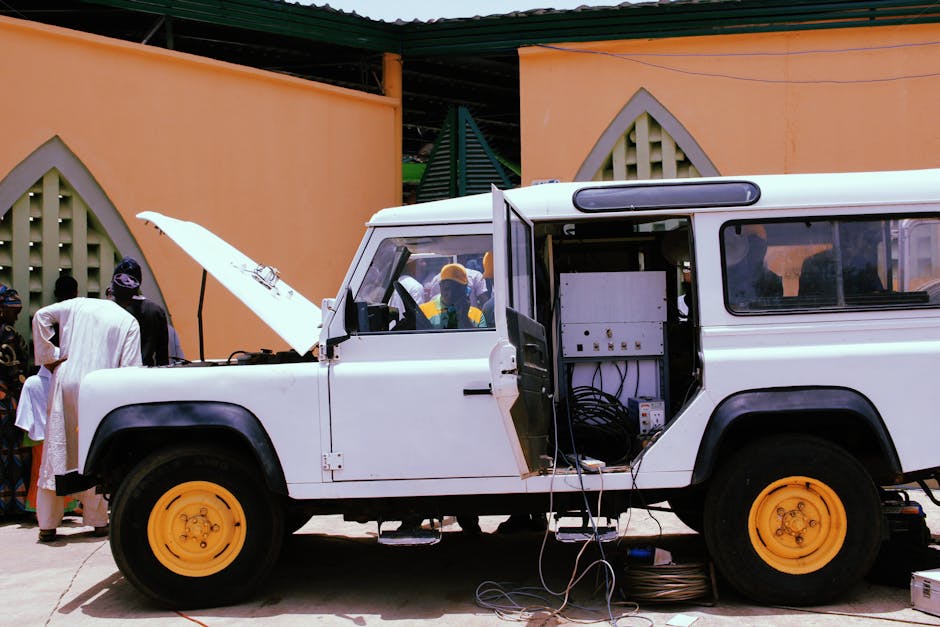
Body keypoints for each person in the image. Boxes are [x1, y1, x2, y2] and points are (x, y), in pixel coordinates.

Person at [33, 295, 142, 541]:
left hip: (66, 379)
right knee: (94, 454)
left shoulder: (77, 304)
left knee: (56, 453)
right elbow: (131, 369)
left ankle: (48, 524)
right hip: (99, 387)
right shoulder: (128, 320)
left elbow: (40, 316)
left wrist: (49, 357)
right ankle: (97, 520)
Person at [15, 276, 80, 515]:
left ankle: (49, 513)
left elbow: (25, 417)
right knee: (51, 472)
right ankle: (48, 512)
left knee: (48, 473)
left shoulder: (37, 381)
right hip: (48, 434)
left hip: (42, 434)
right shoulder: (46, 381)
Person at [799, 222, 884, 301]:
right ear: (833, 236)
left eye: (855, 236)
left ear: (860, 238)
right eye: (844, 234)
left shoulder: (865, 266)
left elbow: (876, 298)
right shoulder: (813, 264)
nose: (849, 240)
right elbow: (805, 303)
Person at [0, 285, 29, 516]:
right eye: (13, 310)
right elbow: (14, 372)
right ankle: (17, 505)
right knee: (13, 453)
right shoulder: (8, 334)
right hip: (7, 403)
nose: (17, 315)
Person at [109, 257, 169, 366]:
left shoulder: (110, 308)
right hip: (145, 376)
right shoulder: (156, 311)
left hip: (114, 375)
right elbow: (162, 355)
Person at [724, 224, 782, 308]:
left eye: (759, 242)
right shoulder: (721, 279)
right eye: (752, 239)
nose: (757, 247)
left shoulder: (772, 281)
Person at [419, 263, 486, 329]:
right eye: (446, 289)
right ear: (440, 286)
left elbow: (482, 338)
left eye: (455, 290)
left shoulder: (477, 316)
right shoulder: (422, 312)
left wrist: (464, 318)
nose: (450, 295)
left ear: (465, 289)